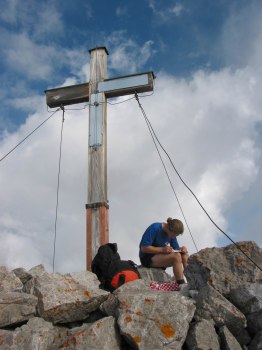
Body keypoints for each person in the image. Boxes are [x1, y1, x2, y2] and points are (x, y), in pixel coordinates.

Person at [139, 218, 188, 284]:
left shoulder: (171, 234)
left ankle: (192, 280)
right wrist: (162, 249)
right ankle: (181, 284)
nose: (174, 237)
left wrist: (182, 249)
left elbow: (176, 249)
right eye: (174, 235)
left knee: (184, 255)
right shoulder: (155, 228)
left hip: (160, 257)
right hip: (147, 258)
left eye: (176, 235)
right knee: (176, 257)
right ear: (169, 228)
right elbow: (144, 248)